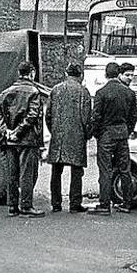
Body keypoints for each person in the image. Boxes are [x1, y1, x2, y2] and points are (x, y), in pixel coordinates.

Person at [0, 61, 45, 218]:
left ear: (18, 73)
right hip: (28, 139)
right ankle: (26, 206)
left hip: (10, 140)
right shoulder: (33, 92)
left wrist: (7, 131)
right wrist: (18, 131)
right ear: (31, 73)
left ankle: (12, 206)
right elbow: (32, 115)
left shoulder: (5, 92)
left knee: (12, 173)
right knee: (27, 173)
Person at [89, 62, 137, 215]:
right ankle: (127, 202)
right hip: (122, 134)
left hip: (106, 134)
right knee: (125, 169)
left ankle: (104, 204)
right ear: (118, 74)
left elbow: (96, 117)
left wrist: (95, 133)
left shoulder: (101, 93)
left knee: (105, 170)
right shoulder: (129, 93)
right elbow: (133, 116)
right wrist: (127, 130)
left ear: (105, 74)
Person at [46, 64, 92, 213]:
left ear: (66, 73)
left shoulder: (55, 90)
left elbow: (48, 116)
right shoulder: (83, 92)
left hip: (58, 136)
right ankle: (74, 203)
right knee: (77, 172)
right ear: (80, 75)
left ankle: (56, 203)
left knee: (56, 171)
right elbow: (86, 118)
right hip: (77, 136)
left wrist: (53, 130)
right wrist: (87, 134)